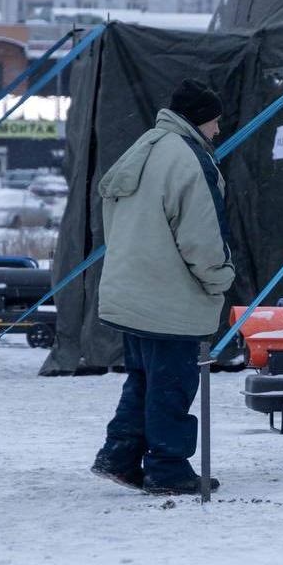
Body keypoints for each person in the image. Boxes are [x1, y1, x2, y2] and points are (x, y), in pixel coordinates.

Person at [90, 78, 235, 495]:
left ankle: (119, 455)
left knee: (143, 380)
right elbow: (201, 236)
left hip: (131, 291)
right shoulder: (189, 159)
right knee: (172, 386)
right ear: (199, 119)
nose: (218, 130)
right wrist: (220, 278)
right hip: (170, 299)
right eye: (214, 121)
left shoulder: (144, 147)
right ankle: (168, 469)